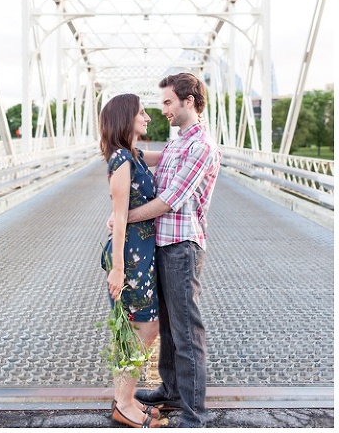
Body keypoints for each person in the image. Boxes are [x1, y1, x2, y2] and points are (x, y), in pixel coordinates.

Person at [125, 73, 221, 428]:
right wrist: (118, 148)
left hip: (182, 246)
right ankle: (171, 390)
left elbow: (170, 200)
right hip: (163, 244)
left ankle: (195, 414)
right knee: (167, 325)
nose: (161, 108)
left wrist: (126, 217)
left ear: (189, 101)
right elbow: (150, 159)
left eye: (167, 102)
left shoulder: (201, 147)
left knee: (186, 330)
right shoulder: (179, 142)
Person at [99, 93, 161, 429]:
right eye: (141, 112)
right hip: (130, 256)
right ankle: (123, 403)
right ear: (126, 117)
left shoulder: (133, 155)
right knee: (141, 329)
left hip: (140, 253)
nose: (148, 117)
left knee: (141, 328)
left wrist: (199, 141)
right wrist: (119, 270)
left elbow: (167, 156)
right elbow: (120, 217)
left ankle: (127, 397)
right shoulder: (121, 159)